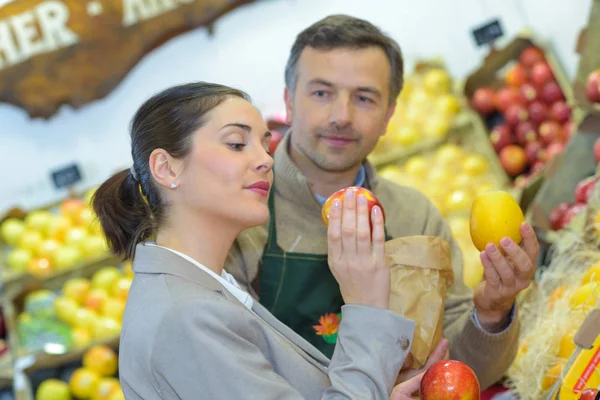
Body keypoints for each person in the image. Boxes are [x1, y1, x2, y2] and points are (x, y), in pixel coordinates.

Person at [225, 14, 539, 390]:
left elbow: (458, 375)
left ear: (390, 114)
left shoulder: (415, 217)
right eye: (322, 93)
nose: (341, 116)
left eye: (364, 98)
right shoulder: (238, 222)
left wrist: (492, 312)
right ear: (289, 102)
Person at [92, 81, 431, 399]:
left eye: (264, 145)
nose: (266, 160)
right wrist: (367, 306)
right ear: (167, 168)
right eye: (237, 144)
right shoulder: (187, 316)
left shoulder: (205, 290)